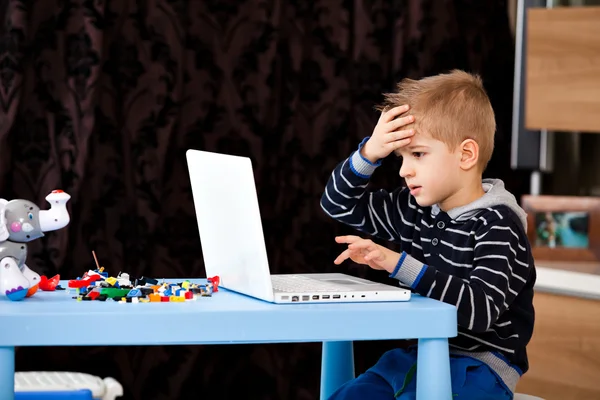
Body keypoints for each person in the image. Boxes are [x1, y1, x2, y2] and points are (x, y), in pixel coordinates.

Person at [320, 70, 536, 399]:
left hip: (479, 366)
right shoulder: (414, 208)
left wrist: (399, 264)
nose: (405, 169)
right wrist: (369, 154)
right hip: (415, 355)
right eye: (401, 157)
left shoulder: (498, 225)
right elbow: (338, 204)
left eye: (418, 154)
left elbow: (478, 311)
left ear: (466, 155)